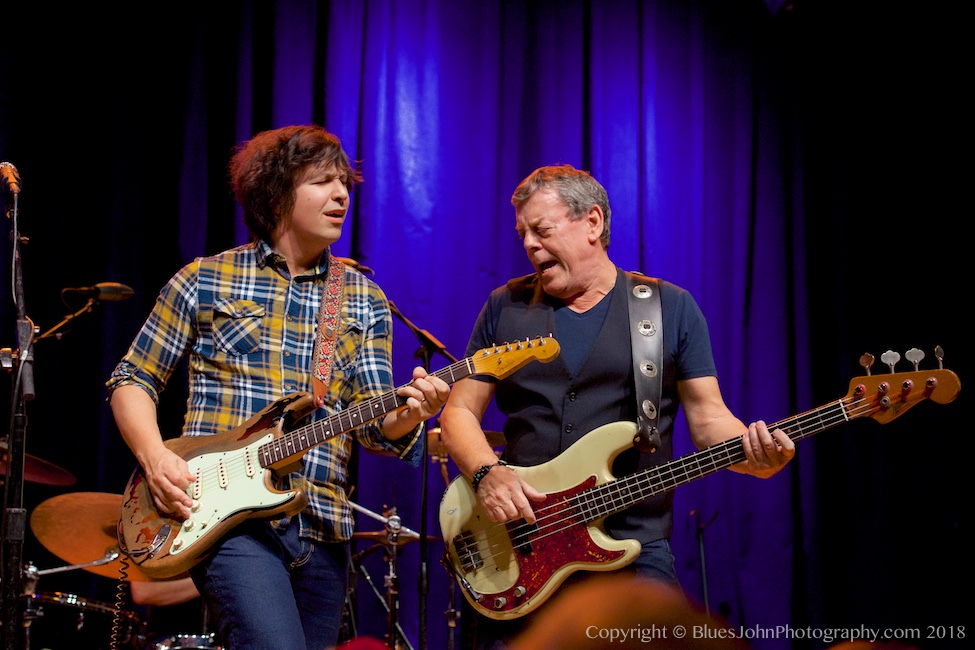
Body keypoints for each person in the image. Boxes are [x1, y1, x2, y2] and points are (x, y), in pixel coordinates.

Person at [106, 124, 450, 650]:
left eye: (345, 184)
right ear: (277, 192)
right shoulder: (204, 279)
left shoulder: (361, 296)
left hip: (324, 526)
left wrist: (413, 411)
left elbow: (377, 430)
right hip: (229, 522)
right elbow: (132, 379)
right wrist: (155, 458)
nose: (341, 195)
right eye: (322, 182)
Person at [438, 164, 795, 648]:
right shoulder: (506, 306)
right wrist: (486, 473)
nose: (529, 245)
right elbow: (458, 411)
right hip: (522, 546)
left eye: (542, 230)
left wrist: (753, 453)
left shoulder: (670, 307)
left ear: (593, 223)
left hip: (631, 545)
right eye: (523, 233)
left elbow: (710, 419)